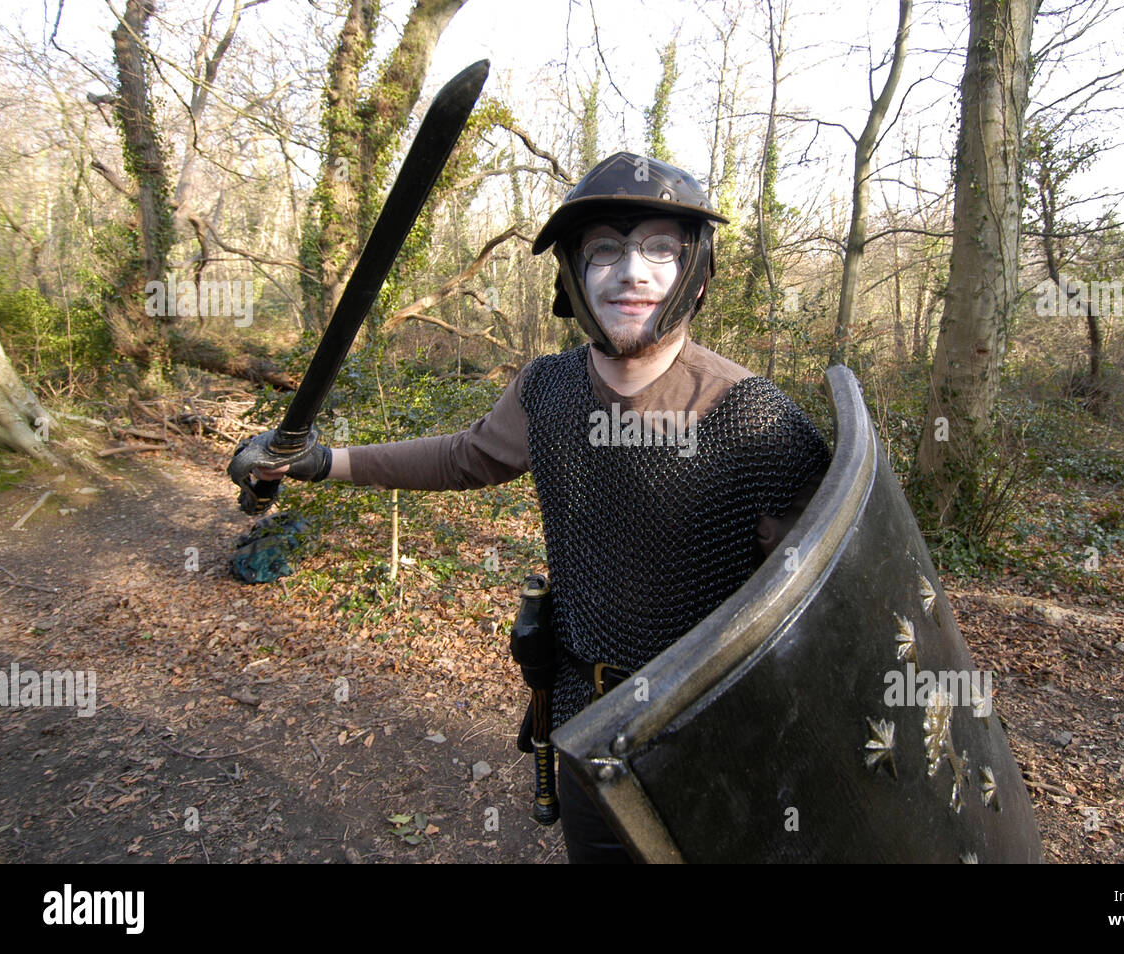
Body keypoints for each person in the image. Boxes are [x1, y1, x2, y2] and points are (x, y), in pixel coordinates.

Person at [244, 152, 832, 862]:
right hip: (586, 719)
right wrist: (323, 461)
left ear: (696, 274)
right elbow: (466, 456)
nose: (631, 272)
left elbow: (825, 606)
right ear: (574, 277)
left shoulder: (753, 418)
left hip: (710, 739)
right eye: (604, 250)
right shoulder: (547, 391)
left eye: (658, 250)